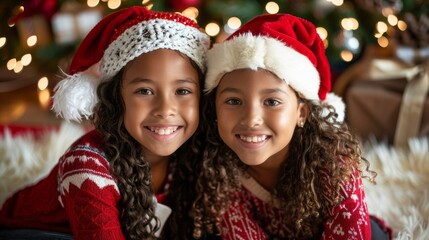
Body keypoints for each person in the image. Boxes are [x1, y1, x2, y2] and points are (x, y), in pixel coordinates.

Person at [0, 6, 209, 240]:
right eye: (145, 91)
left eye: (182, 90)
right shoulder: (87, 168)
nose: (165, 109)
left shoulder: (194, 155)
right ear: (116, 98)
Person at [192, 13, 392, 240]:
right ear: (215, 109)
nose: (251, 119)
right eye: (234, 101)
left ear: (301, 113)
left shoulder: (334, 166)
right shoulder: (217, 169)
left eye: (272, 102)